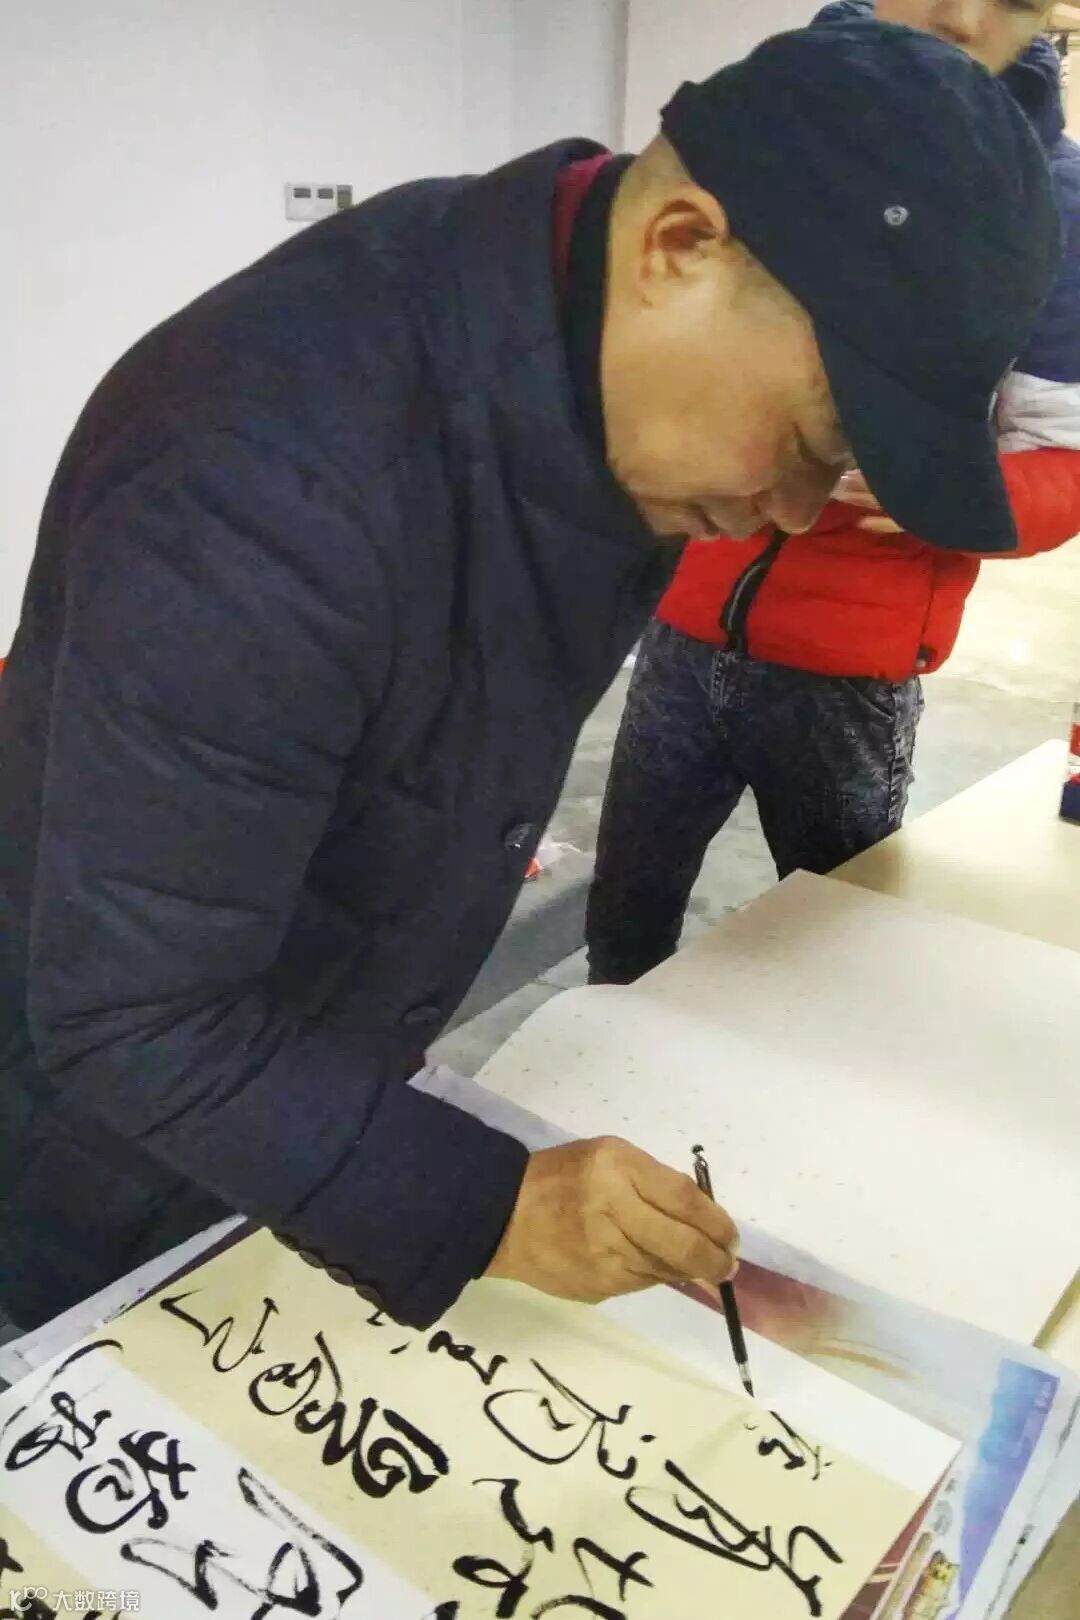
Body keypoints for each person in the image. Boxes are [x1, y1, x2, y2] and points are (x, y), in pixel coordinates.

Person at [0, 22, 1059, 1337]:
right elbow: (133, 1014)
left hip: (293, 1088)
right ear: (680, 246)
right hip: (82, 1164)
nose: (794, 513)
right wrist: (486, 1205)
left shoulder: (577, 346)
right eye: (807, 441)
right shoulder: (264, 481)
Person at [586, 0, 1080, 987]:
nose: (959, 18)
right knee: (628, 902)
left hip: (849, 659)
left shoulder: (1055, 208)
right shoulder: (794, 122)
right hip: (686, 619)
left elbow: (1064, 462)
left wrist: (935, 488)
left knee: (835, 935)